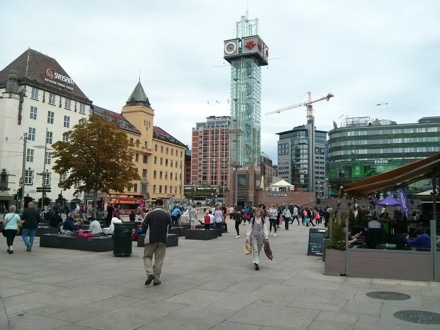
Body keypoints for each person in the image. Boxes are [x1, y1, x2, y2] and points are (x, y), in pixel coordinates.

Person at [142, 199, 171, 286]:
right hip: (162, 240)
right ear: (162, 205)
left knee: (147, 256)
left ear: (155, 205)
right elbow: (170, 227)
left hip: (150, 239)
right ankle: (156, 279)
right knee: (159, 259)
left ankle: (150, 274)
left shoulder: (149, 214)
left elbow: (144, 227)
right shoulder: (167, 215)